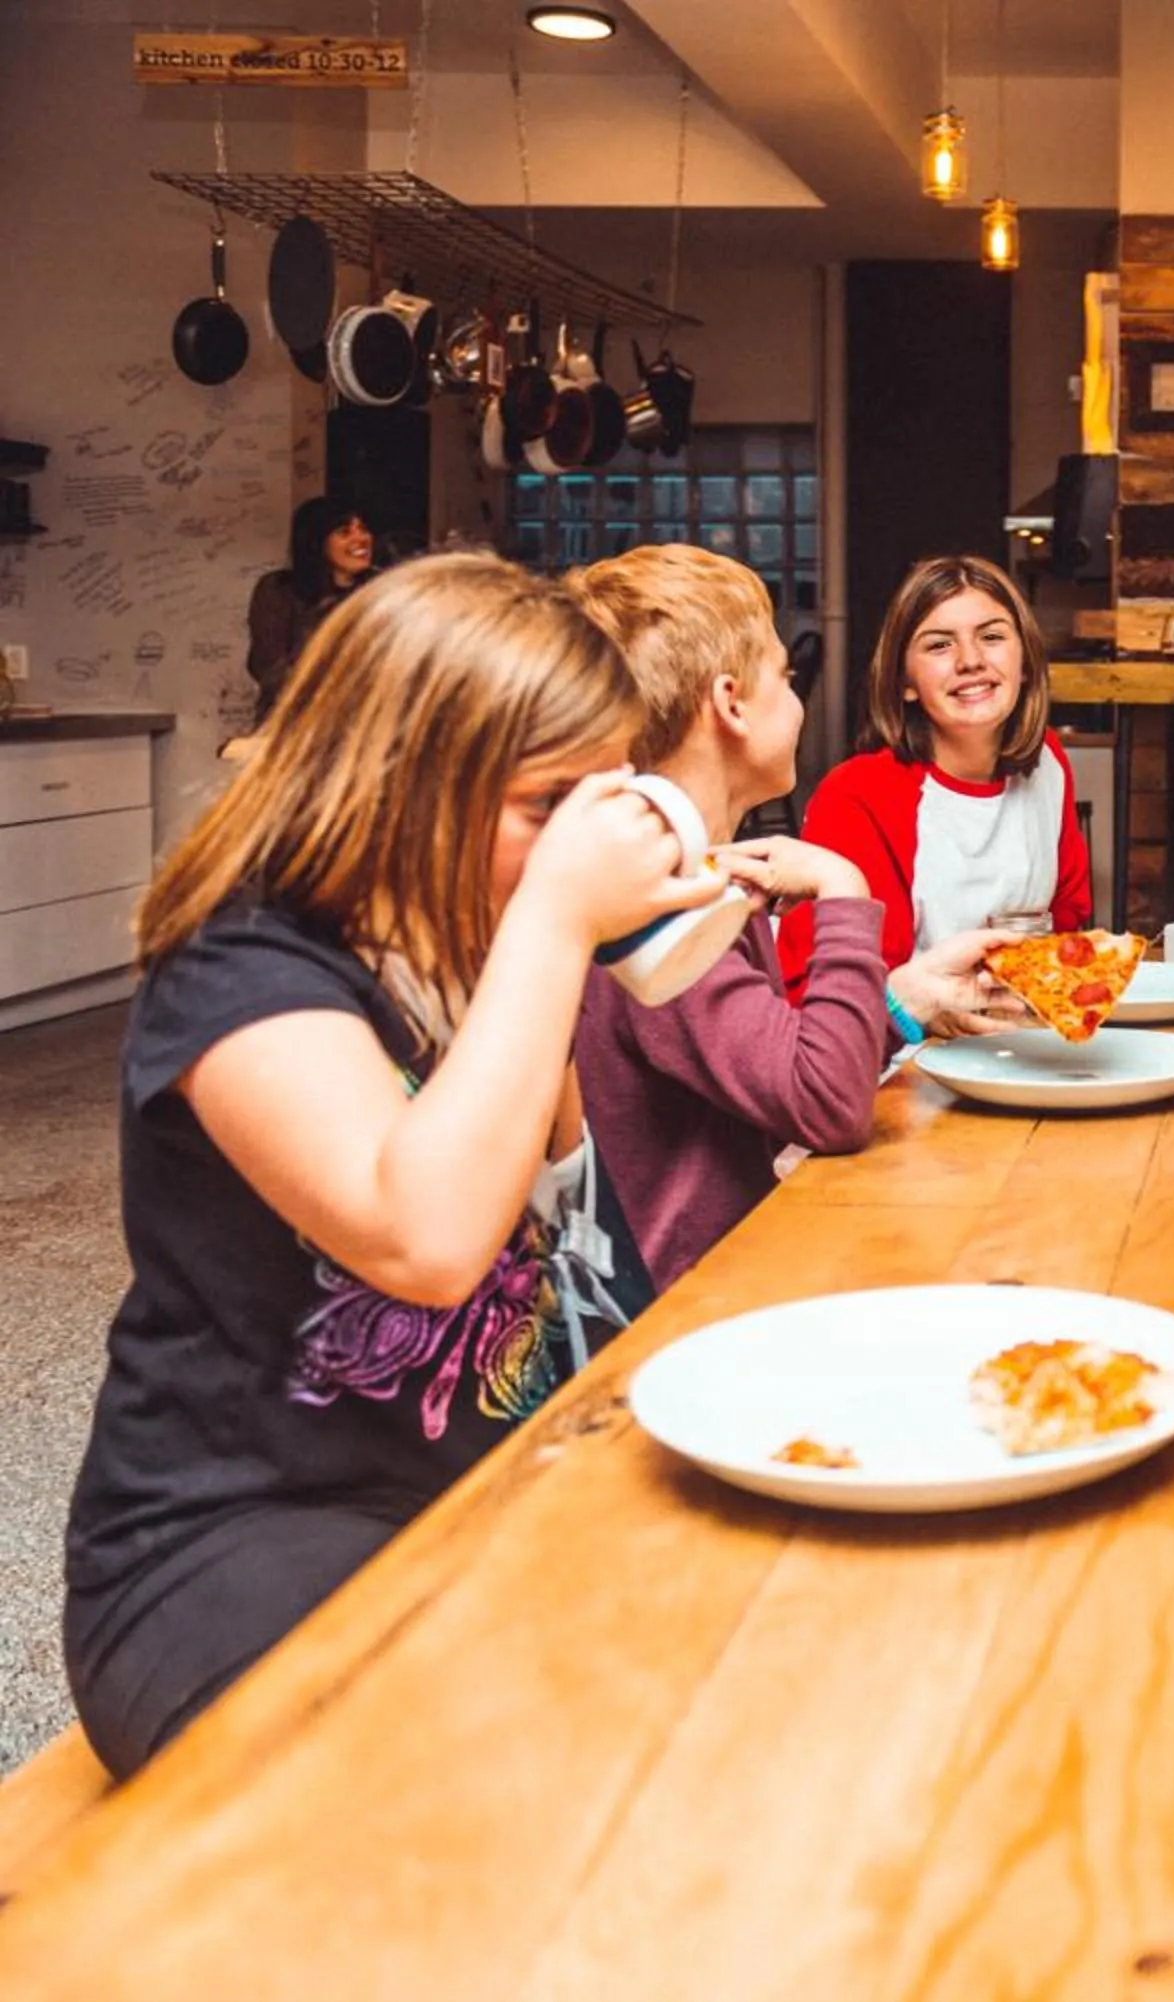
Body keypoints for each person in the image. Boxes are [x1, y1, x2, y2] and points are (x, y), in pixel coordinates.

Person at [63, 552, 713, 1778]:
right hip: (238, 1547)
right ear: (407, 781)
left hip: (471, 1489)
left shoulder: (475, 951)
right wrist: (558, 921)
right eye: (547, 806)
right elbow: (425, 1240)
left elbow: (580, 1263)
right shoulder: (241, 968)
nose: (576, 843)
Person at [567, 545, 1013, 1296]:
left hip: (731, 1267)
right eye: (785, 677)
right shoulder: (664, 896)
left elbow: (771, 1084)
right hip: (691, 1305)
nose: (798, 702)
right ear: (732, 704)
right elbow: (824, 1108)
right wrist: (844, 889)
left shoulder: (692, 869)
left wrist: (903, 1001)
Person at [778, 554, 1091, 995]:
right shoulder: (857, 796)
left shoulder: (1048, 761)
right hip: (902, 1036)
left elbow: (1067, 918)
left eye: (992, 637)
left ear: (1024, 663)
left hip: (1024, 1023)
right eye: (939, 645)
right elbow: (818, 992)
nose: (971, 660)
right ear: (905, 681)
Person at [244, 497, 376, 725]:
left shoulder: (379, 591)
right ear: (317, 541)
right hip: (295, 722)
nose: (360, 539)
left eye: (363, 529)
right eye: (344, 532)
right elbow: (269, 666)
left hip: (365, 723)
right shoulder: (279, 590)